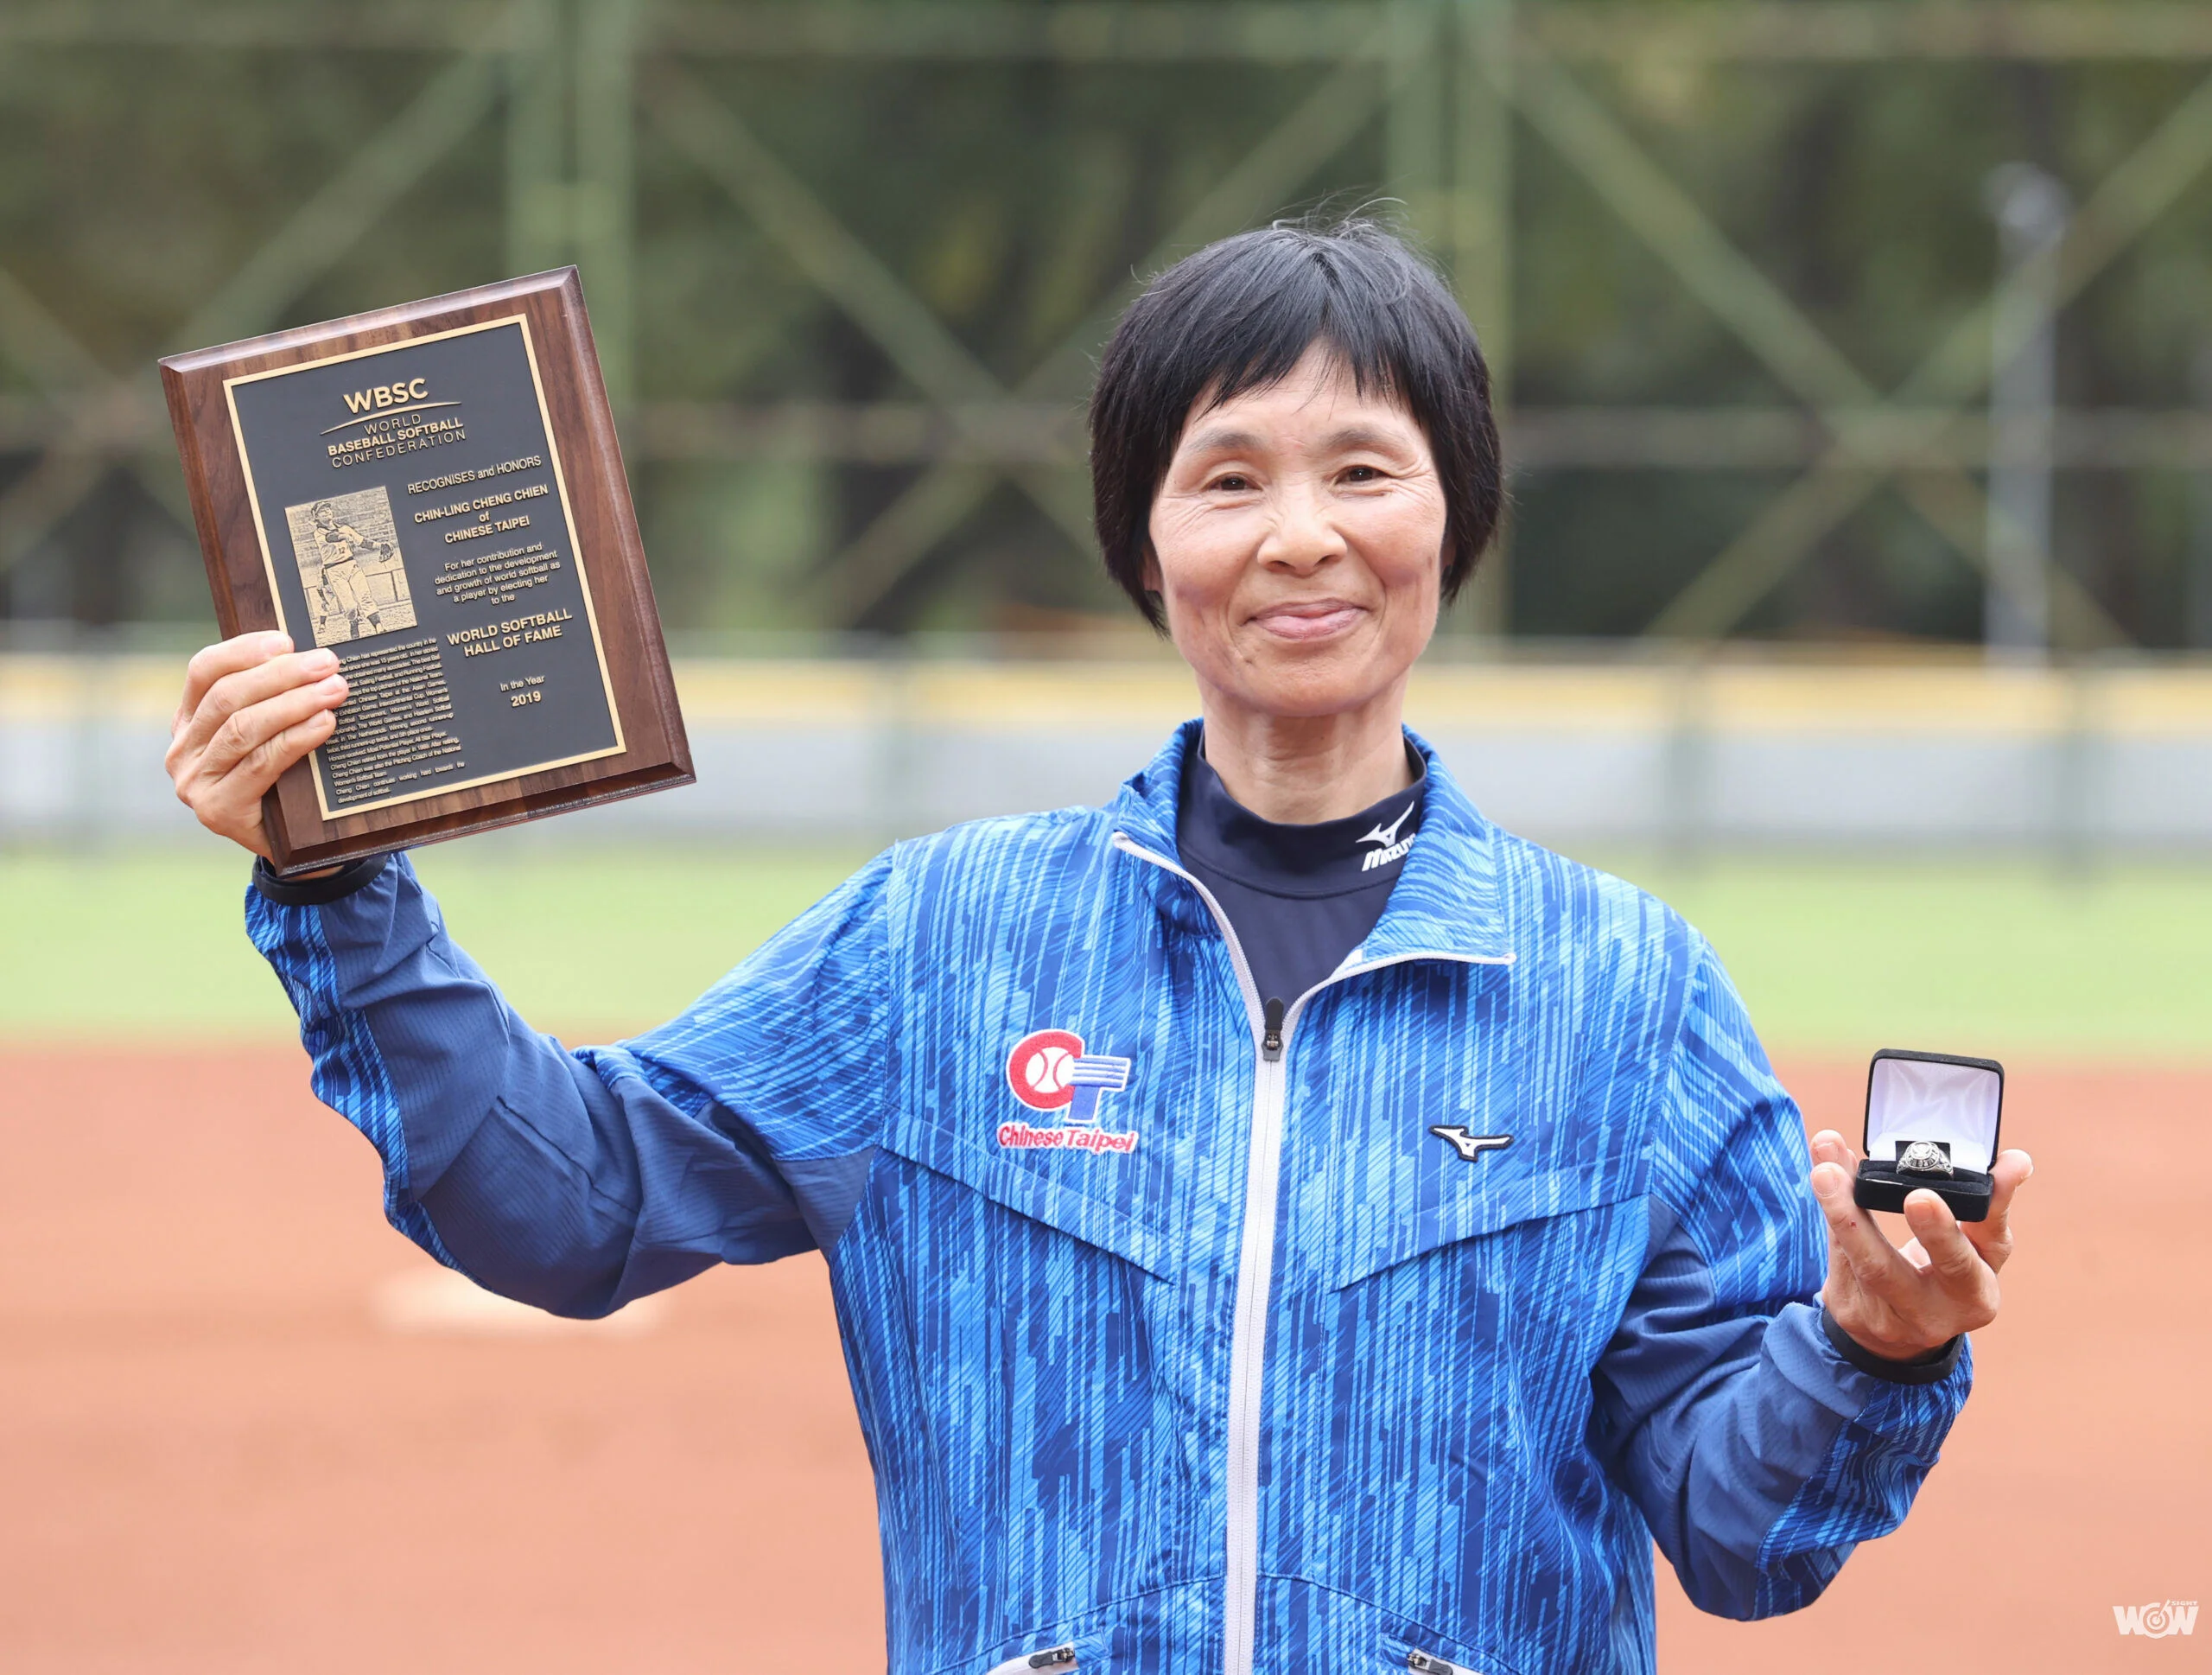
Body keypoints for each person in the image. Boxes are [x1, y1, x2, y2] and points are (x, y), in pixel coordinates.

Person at [165, 220, 2031, 1675]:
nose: (1298, 537)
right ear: (1144, 546)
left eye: (1362, 471)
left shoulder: (1625, 994)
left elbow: (1741, 1536)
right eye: (1226, 479)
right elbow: (567, 1205)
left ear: (1452, 520)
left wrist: (1866, 1350)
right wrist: (338, 887)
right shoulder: (940, 943)